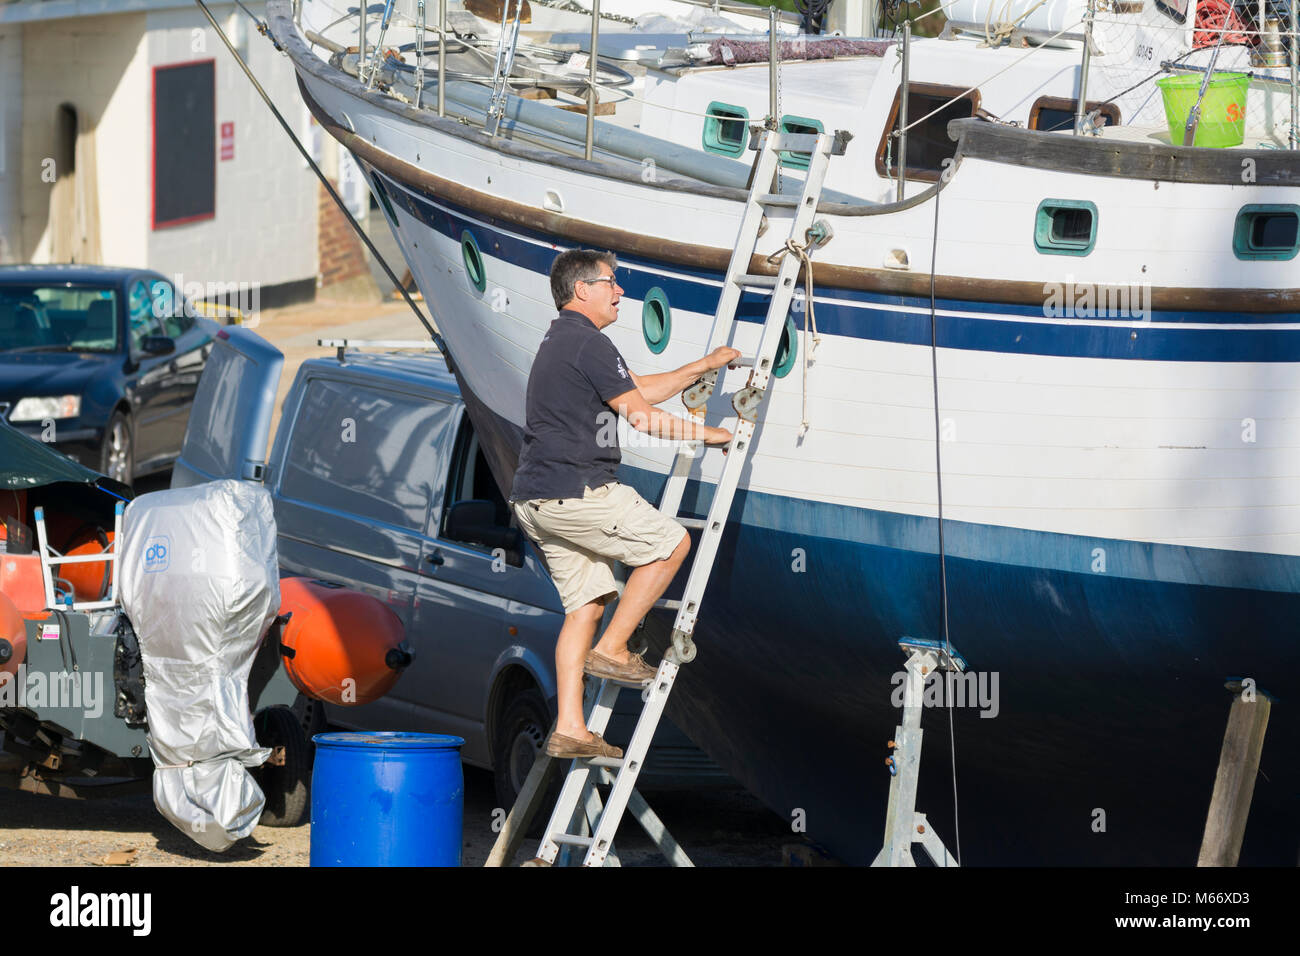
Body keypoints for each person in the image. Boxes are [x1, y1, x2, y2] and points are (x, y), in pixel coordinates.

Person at [510, 249, 738, 759]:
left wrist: (702, 365)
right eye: (611, 283)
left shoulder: (562, 340)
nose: (620, 292)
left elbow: (636, 392)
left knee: (585, 607)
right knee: (671, 543)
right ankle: (613, 650)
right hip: (577, 488)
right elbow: (641, 417)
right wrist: (711, 435)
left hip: (535, 499)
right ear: (582, 290)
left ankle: (570, 726)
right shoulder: (591, 342)